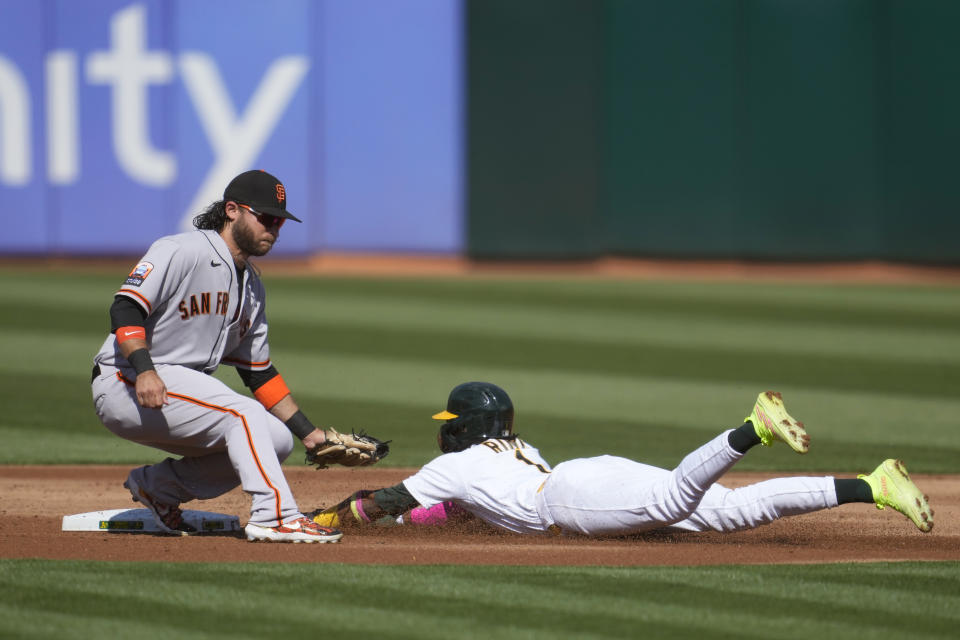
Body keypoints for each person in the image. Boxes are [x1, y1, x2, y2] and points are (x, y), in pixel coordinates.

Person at [91, 169, 383, 543]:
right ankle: (275, 515)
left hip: (177, 388)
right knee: (242, 414)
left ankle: (158, 489)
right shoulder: (182, 250)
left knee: (277, 438)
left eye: (279, 222)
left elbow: (258, 372)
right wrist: (144, 370)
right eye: (265, 218)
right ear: (232, 210)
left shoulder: (253, 287)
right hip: (125, 380)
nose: (273, 229)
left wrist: (311, 435)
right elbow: (126, 309)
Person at [312, 382, 934, 538]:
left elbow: (380, 504)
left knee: (674, 502)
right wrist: (409, 523)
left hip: (566, 499)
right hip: (587, 474)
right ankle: (872, 485)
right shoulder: (513, 451)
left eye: (451, 423)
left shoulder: (454, 466)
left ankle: (750, 430)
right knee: (733, 512)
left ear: (464, 428)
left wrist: (322, 519)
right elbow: (450, 516)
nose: (444, 433)